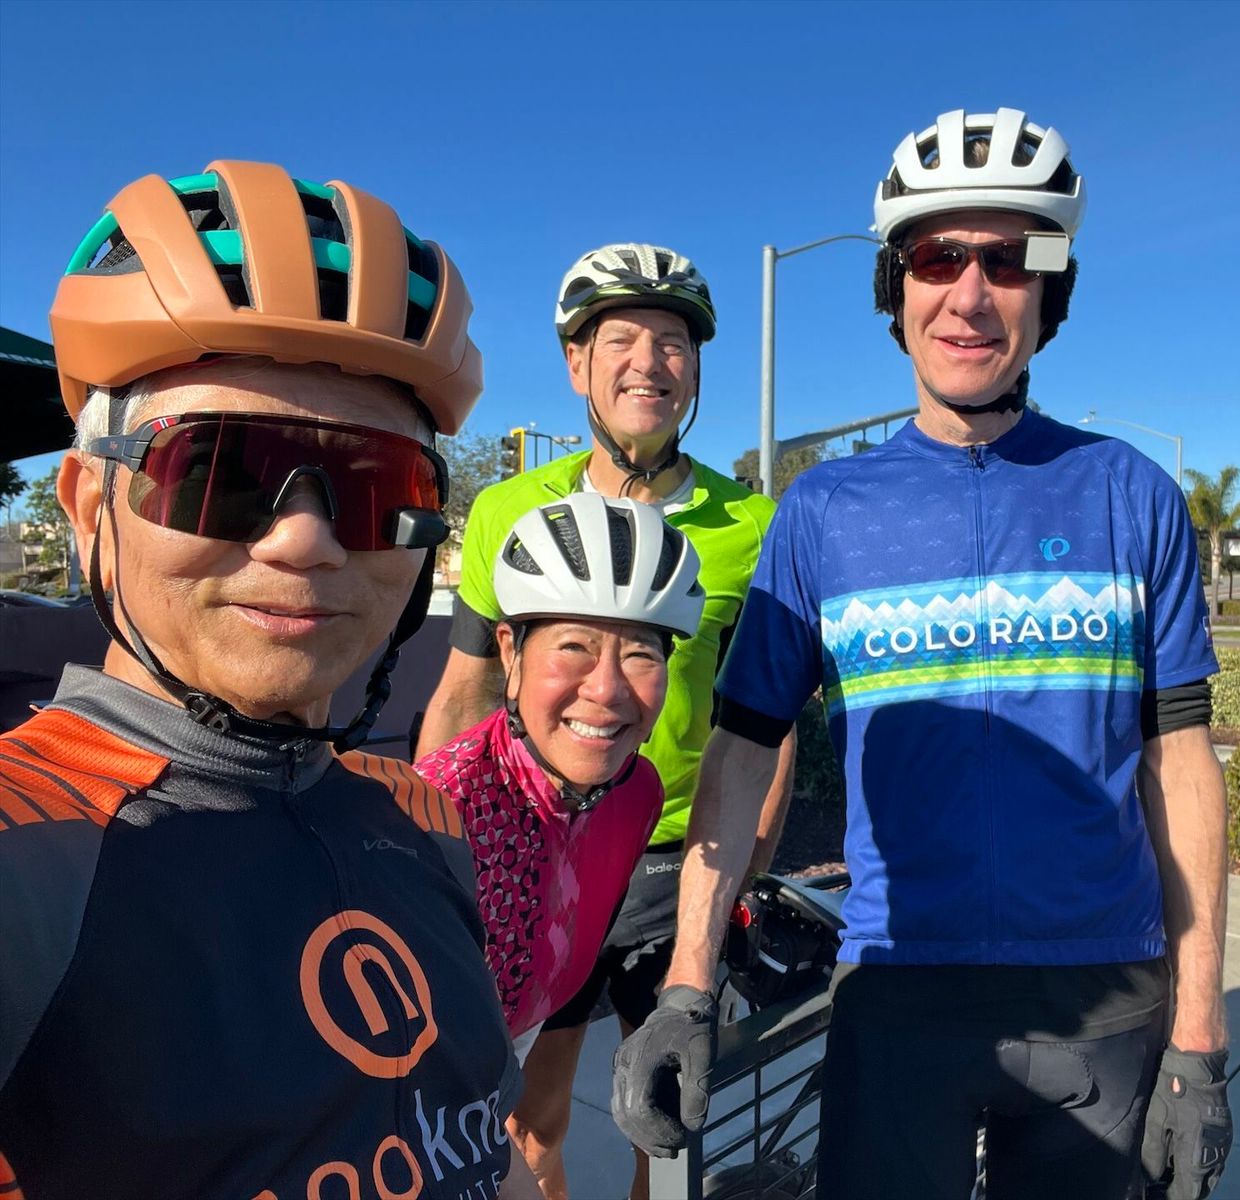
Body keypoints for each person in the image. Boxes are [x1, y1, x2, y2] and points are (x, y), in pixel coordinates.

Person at [612, 108, 1234, 1200]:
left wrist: (1200, 1035)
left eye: (1010, 260)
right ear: (894, 289)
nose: (972, 293)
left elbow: (1179, 769)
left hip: (1105, 999)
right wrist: (687, 986)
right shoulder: (820, 513)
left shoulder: (1132, 495)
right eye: (939, 258)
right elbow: (743, 753)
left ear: (1051, 292)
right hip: (899, 994)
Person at [0, 161, 536, 1198]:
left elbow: (482, 1135)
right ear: (88, 506)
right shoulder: (28, 851)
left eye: (374, 487)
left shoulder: (420, 814)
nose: (305, 540)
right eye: (216, 473)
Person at [417, 244, 794, 1199]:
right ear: (577, 364)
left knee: (662, 1120)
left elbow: (769, 716)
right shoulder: (508, 509)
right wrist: (427, 846)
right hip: (536, 850)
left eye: (673, 343)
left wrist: (750, 859)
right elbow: (465, 689)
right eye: (621, 339)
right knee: (531, 1113)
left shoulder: (751, 524)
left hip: (677, 853)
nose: (648, 362)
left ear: (695, 370)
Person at [416, 494, 703, 1050]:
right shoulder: (442, 813)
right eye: (574, 646)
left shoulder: (638, 789)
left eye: (641, 655)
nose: (607, 689)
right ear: (510, 653)